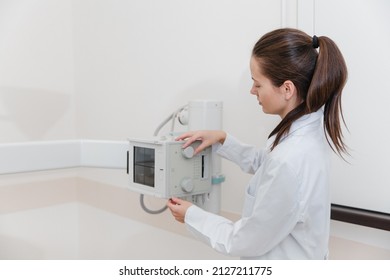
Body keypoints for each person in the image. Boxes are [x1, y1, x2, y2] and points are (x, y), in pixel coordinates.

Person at [167, 28, 348, 259]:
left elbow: (244, 241)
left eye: (258, 84)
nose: (252, 91)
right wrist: (223, 140)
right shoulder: (306, 129)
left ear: (287, 89)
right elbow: (268, 164)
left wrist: (191, 215)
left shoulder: (291, 158)